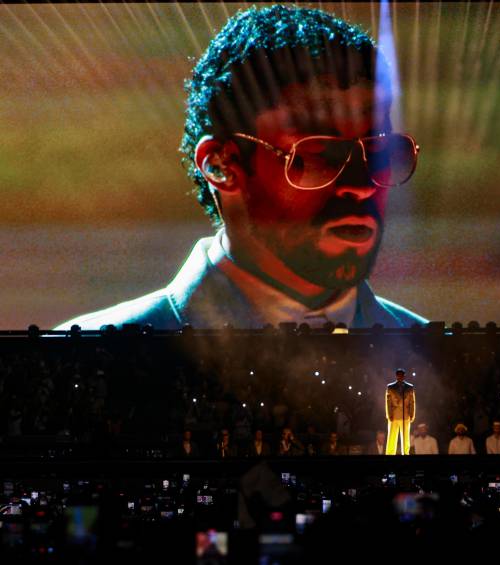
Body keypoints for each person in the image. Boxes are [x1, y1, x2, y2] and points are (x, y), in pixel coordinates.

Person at [55, 5, 427, 331]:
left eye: (378, 152)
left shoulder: (443, 356)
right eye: (320, 155)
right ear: (220, 165)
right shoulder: (86, 357)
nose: (361, 186)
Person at [385, 368, 415, 455]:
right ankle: (390, 454)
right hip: (394, 415)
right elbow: (388, 402)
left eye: (401, 375)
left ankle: (405, 453)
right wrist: (389, 414)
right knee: (392, 437)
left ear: (404, 376)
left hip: (405, 415)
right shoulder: (390, 387)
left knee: (405, 437)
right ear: (396, 375)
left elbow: (412, 402)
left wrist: (412, 414)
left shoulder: (410, 387)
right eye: (399, 374)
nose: (400, 376)